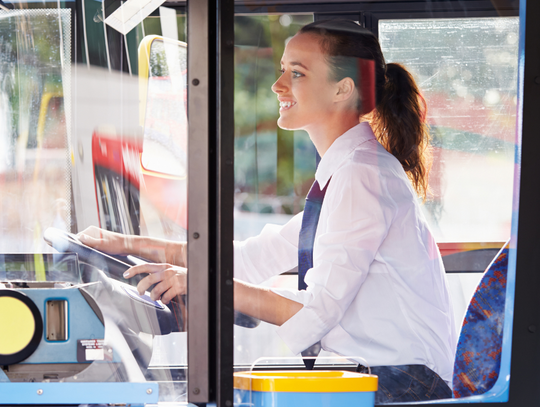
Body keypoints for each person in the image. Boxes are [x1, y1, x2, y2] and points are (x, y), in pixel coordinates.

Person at [79, 20, 457, 404]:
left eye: (297, 73)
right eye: (282, 70)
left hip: (404, 386)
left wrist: (202, 284)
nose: (278, 85)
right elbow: (249, 258)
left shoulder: (363, 175)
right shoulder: (347, 171)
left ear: (343, 89)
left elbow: (320, 308)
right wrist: (124, 243)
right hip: (378, 376)